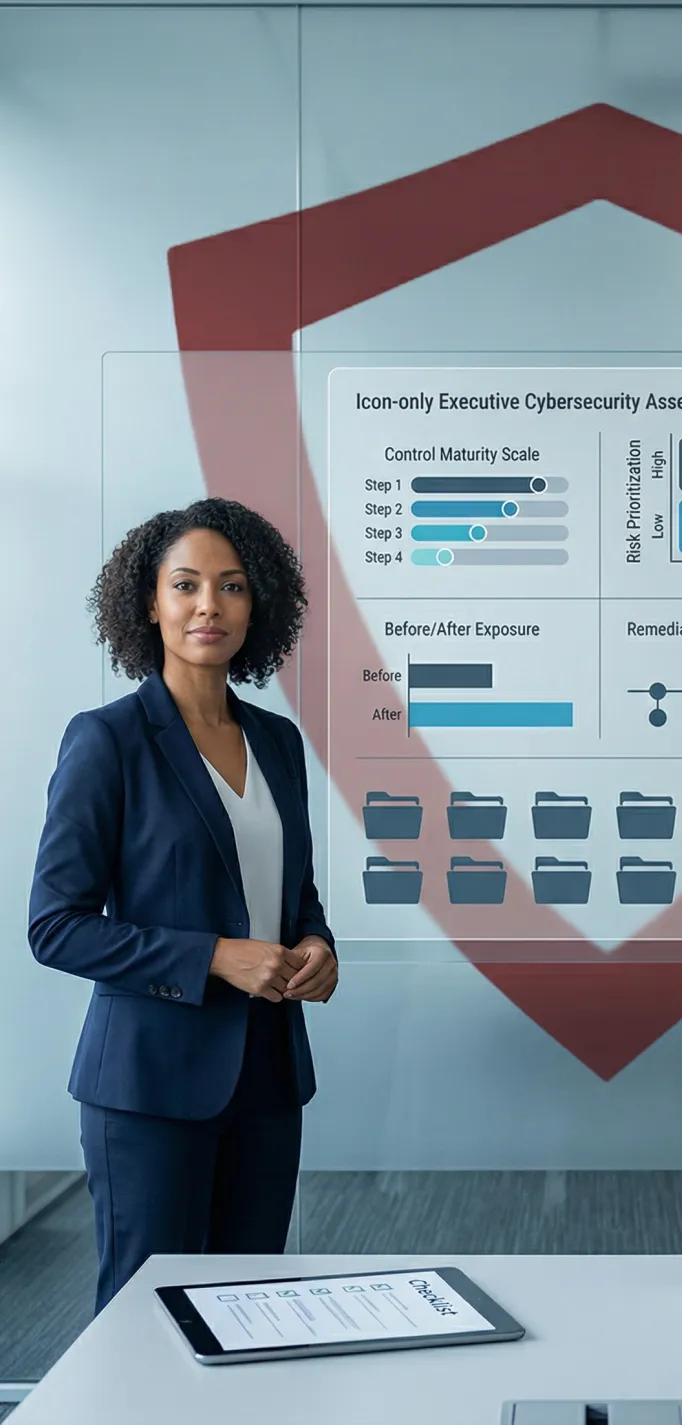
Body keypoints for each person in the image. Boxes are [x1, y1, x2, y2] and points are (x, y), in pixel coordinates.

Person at [28, 497, 337, 1312]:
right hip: (148, 1086)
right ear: (150, 602)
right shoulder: (107, 740)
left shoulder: (279, 742)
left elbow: (288, 884)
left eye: (232, 586)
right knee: (142, 1323)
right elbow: (54, 926)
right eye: (188, 584)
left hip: (268, 1079)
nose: (210, 605)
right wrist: (210, 956)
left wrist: (315, 941)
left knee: (250, 1314)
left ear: (257, 603)